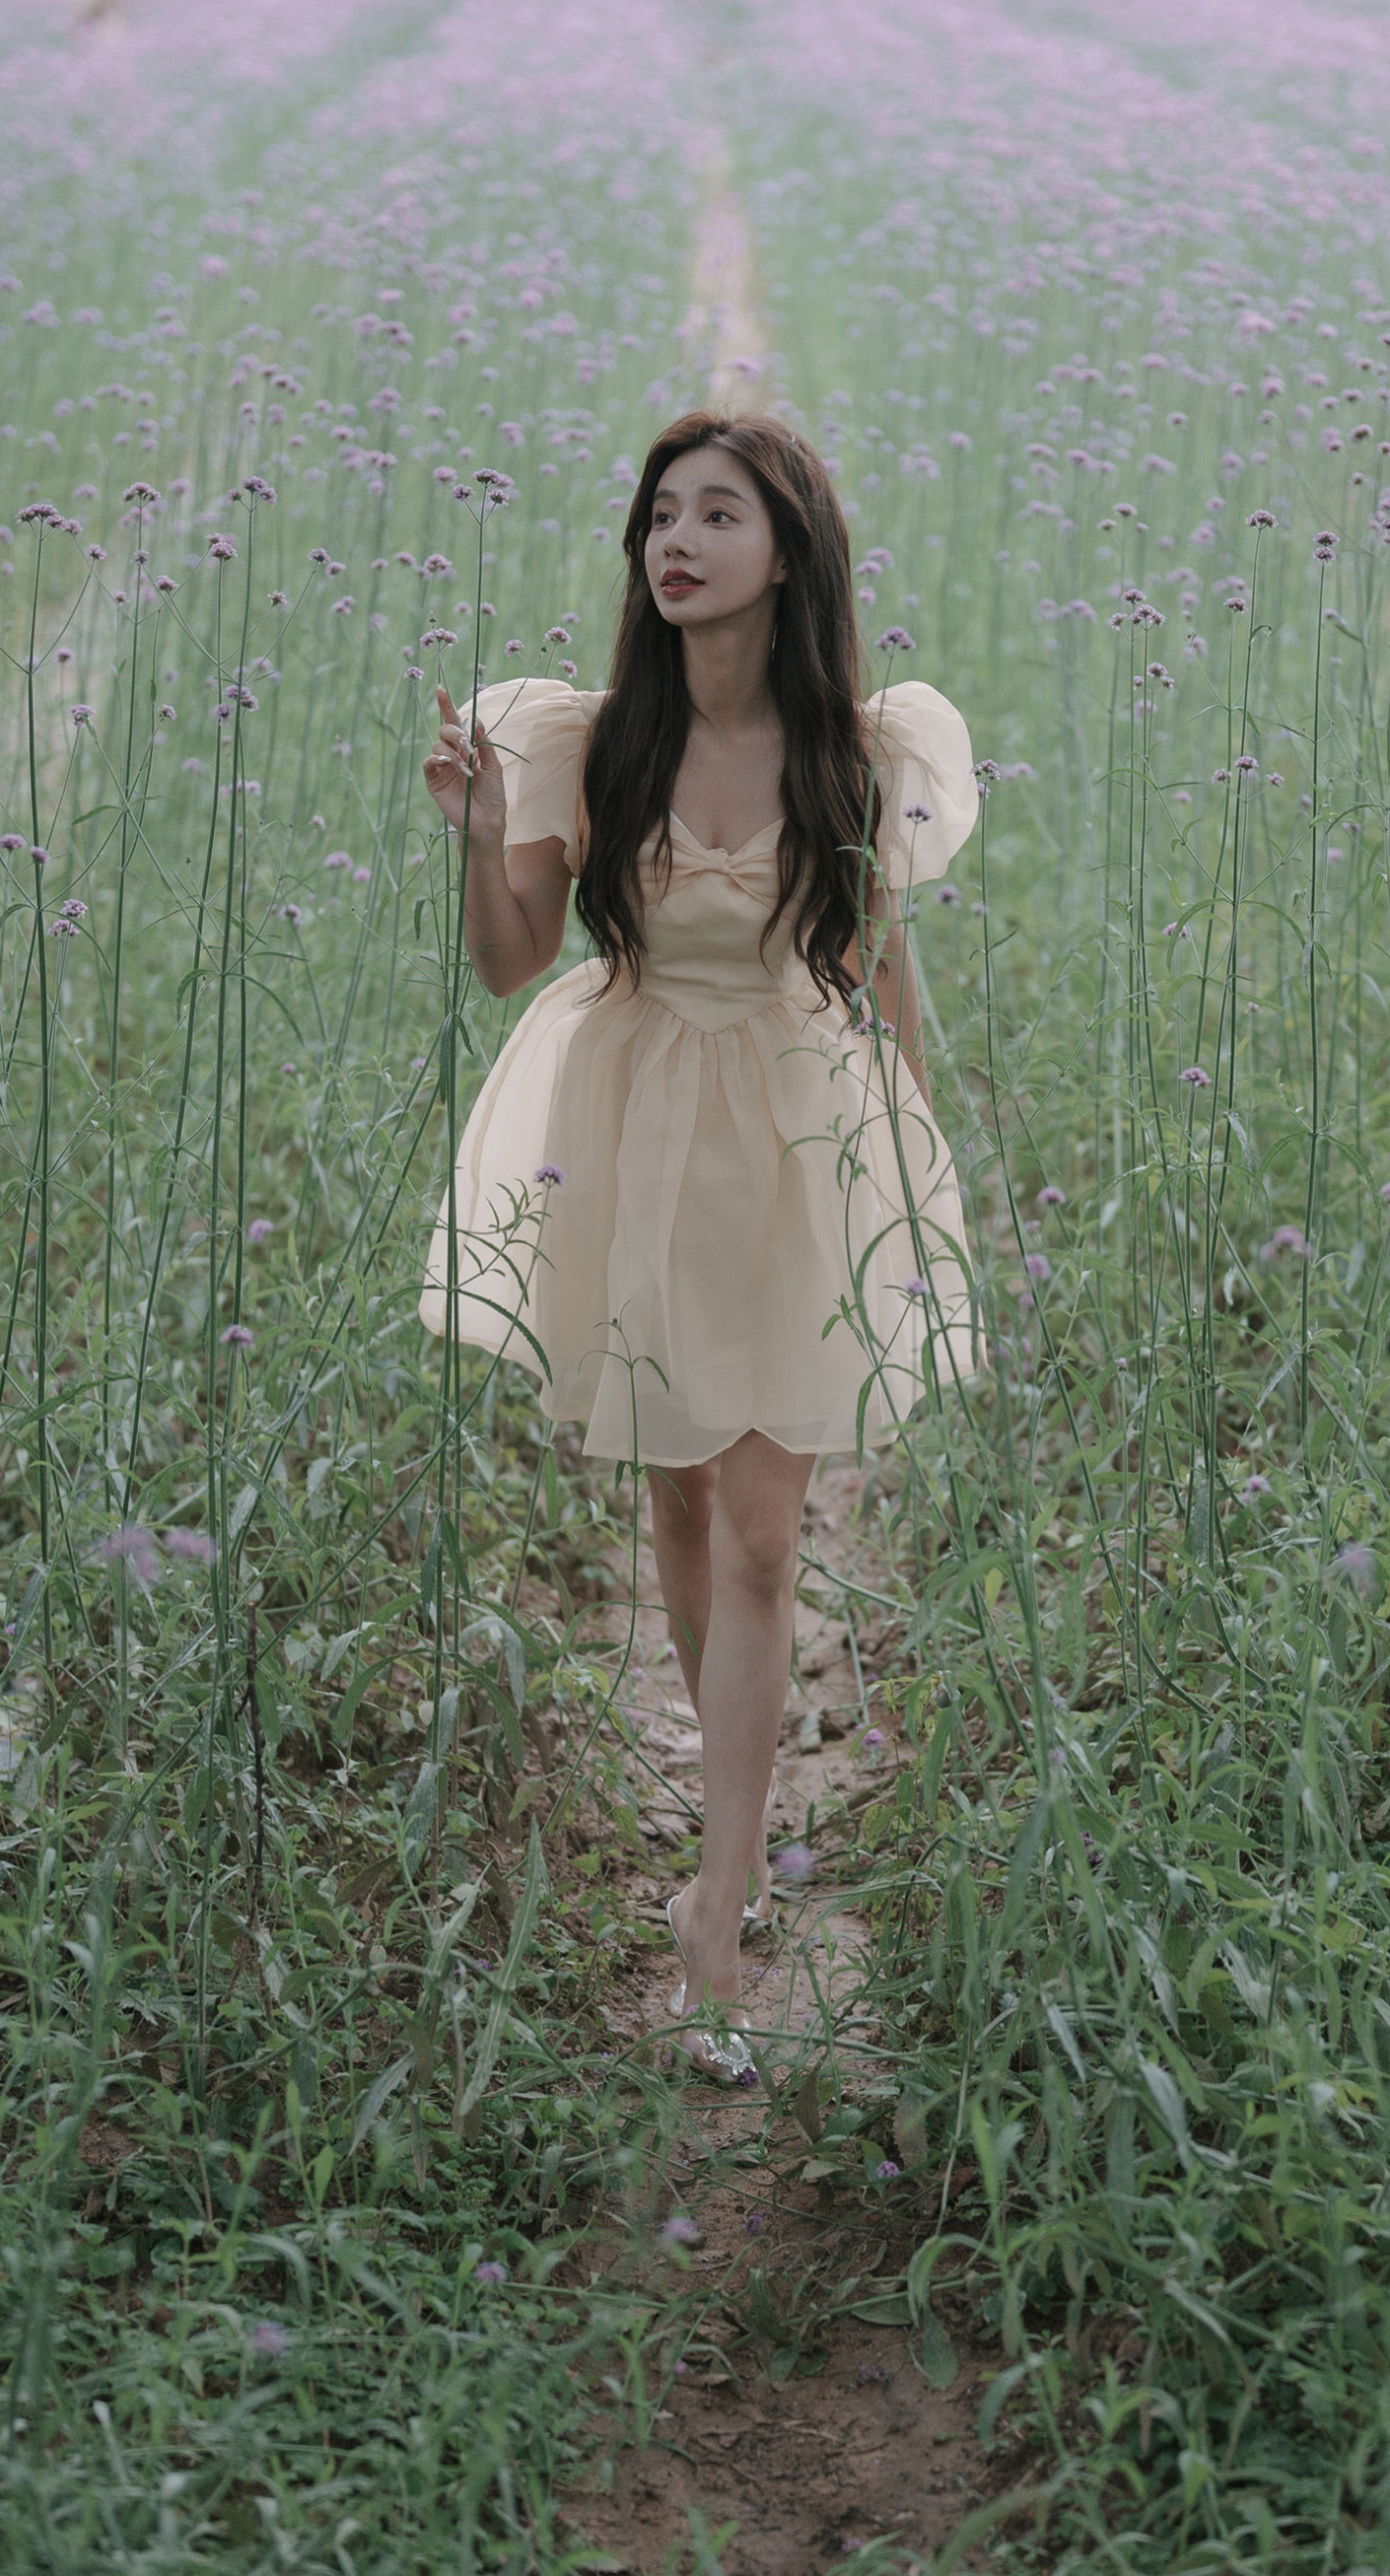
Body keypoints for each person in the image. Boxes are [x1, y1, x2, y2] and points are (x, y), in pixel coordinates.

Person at [418, 412, 979, 2085]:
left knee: (758, 1523)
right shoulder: (586, 741)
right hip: (638, 1125)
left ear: (784, 551)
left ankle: (718, 1917)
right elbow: (511, 965)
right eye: (659, 516)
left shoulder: (862, 753)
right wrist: (468, 827)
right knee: (673, 1487)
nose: (674, 541)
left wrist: (916, 1179)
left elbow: (878, 976)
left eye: (715, 515)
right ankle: (729, 1819)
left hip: (799, 1134)